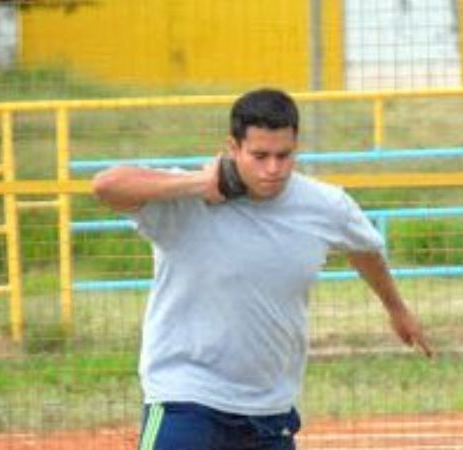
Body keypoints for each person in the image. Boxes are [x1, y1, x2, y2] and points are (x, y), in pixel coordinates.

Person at [92, 88, 432, 450]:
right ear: (232, 147)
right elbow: (106, 186)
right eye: (259, 156)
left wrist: (396, 308)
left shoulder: (326, 205)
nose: (273, 169)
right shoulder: (186, 199)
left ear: (296, 146)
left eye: (283, 156)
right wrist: (199, 184)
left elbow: (364, 249)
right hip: (185, 396)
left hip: (269, 407)